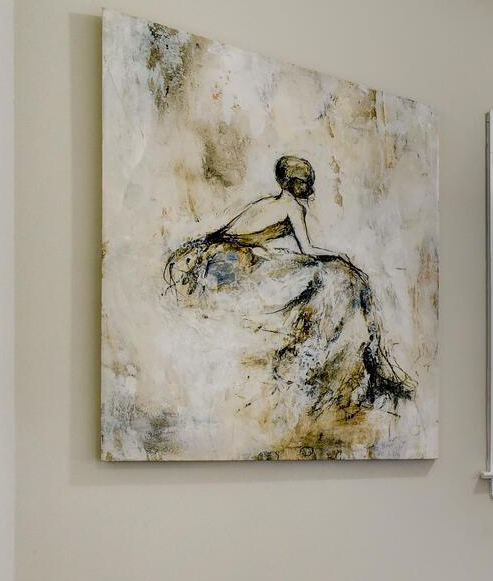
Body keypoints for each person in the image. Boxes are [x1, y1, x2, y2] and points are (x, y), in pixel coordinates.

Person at [162, 155, 413, 457]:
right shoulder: (292, 206)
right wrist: (341, 256)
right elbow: (306, 249)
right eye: (306, 181)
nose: (309, 187)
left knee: (323, 278)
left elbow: (232, 232)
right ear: (295, 183)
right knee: (333, 275)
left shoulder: (269, 202)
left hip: (218, 256)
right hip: (231, 263)